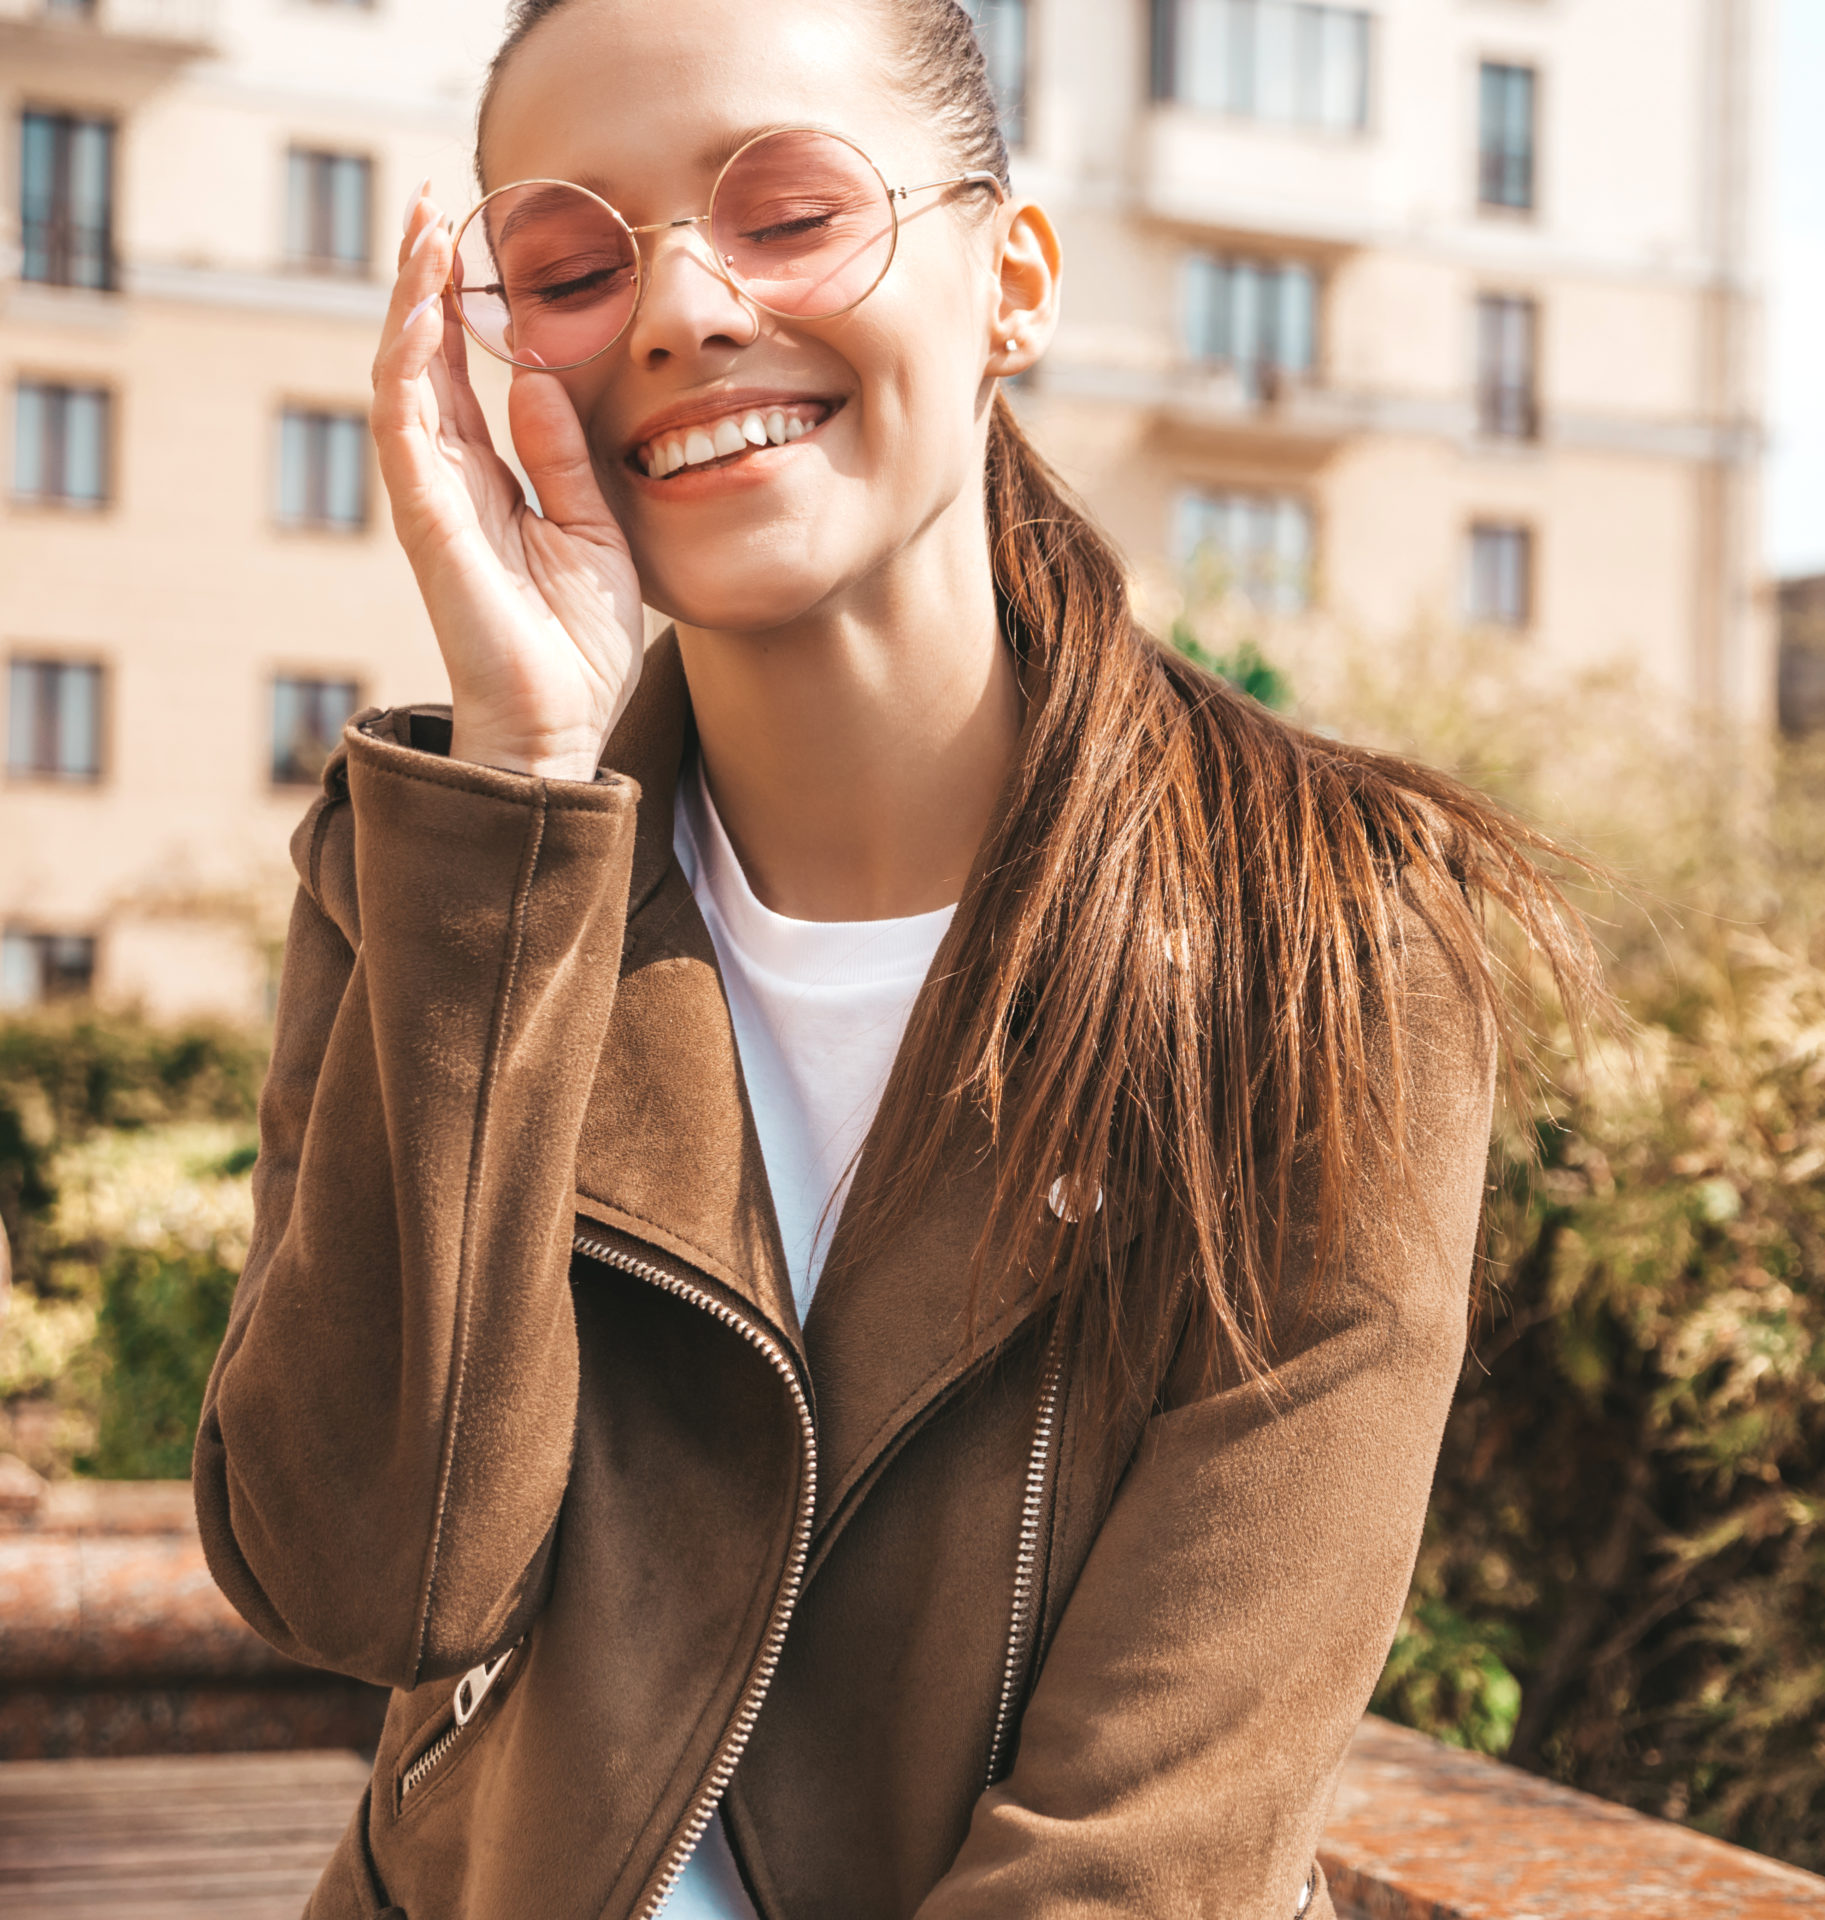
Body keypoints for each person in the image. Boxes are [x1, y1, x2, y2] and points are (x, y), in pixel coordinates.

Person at [191, 1, 1592, 1914]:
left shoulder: (1328, 942)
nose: (679, 310)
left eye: (788, 213)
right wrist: (522, 786)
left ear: (1010, 278)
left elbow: (1149, 1849)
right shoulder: (441, 870)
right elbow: (374, 1583)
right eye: (574, 266)